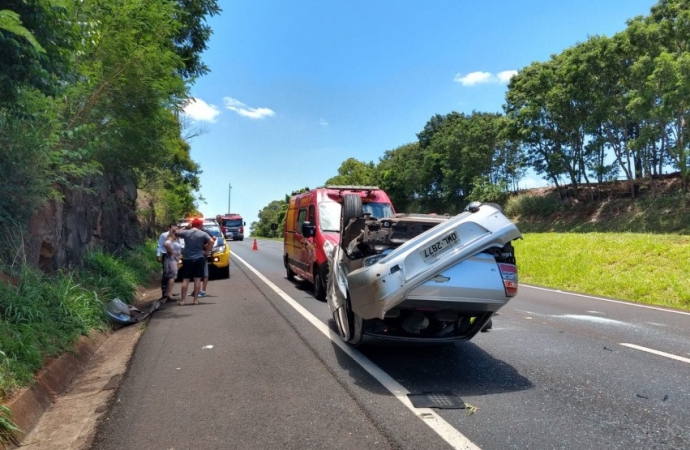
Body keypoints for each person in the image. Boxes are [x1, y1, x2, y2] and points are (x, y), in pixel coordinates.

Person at [175, 218, 213, 305]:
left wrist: (186, 227)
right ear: (200, 225)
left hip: (188, 258)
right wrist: (206, 252)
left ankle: (183, 300)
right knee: (197, 279)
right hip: (199, 258)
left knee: (186, 279)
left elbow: (176, 232)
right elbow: (211, 241)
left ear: (192, 225)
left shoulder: (186, 232)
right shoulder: (203, 233)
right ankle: (195, 300)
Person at [156, 223, 176, 298]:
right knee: (166, 273)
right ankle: (164, 292)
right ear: (169, 227)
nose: (174, 229)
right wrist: (158, 255)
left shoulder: (176, 235)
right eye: (173, 227)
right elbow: (160, 245)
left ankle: (169, 291)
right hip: (166, 255)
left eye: (176, 227)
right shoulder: (164, 235)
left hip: (173, 256)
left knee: (172, 274)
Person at [162, 228, 182, 302]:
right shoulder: (170, 239)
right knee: (172, 276)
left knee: (172, 275)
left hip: (174, 260)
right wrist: (172, 252)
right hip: (171, 259)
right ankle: (169, 294)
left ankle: (168, 292)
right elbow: (166, 244)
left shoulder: (176, 239)